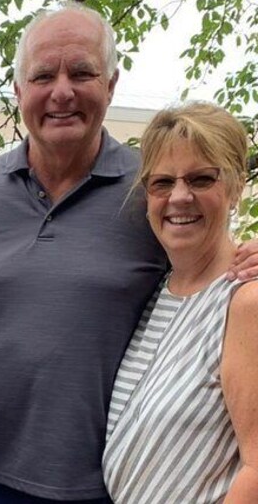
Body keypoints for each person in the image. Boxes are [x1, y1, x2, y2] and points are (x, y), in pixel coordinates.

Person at [0, 2, 258, 503]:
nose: (62, 91)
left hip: (104, 489)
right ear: (19, 91)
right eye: (43, 76)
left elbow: (210, 257)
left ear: (111, 84)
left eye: (82, 72)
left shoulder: (150, 192)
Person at [102, 102, 258, 502]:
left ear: (237, 186)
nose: (180, 197)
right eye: (162, 183)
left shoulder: (245, 301)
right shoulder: (158, 292)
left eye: (202, 179)